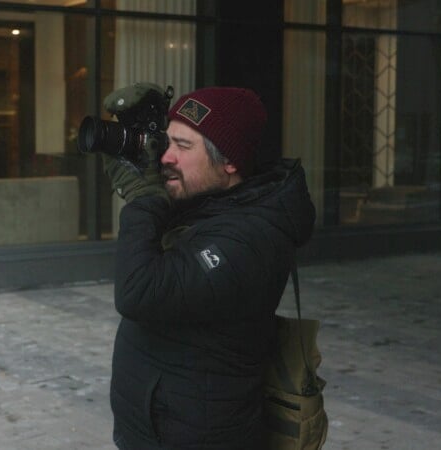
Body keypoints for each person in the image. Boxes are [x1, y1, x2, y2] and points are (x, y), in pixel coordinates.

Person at [103, 86, 316, 449]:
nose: (165, 158)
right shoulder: (206, 200)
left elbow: (138, 292)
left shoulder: (250, 237)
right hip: (155, 428)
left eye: (183, 147)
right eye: (165, 143)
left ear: (229, 161)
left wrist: (143, 201)